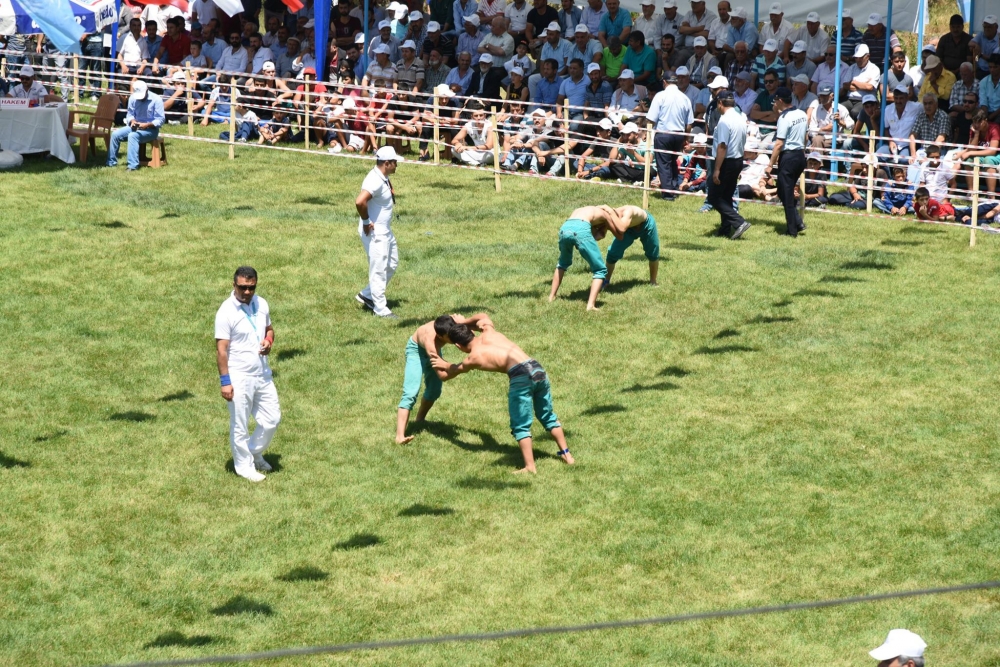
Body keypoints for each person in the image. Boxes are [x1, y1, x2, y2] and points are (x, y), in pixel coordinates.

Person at [432, 318, 575, 474]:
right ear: (472, 332)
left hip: (521, 377)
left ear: (459, 346)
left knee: (520, 424)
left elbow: (454, 370)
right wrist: (463, 321)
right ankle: (568, 456)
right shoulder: (489, 332)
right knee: (547, 415)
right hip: (537, 369)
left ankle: (530, 467)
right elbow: (483, 317)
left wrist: (443, 363)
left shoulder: (473, 357)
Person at [214, 266, 281, 483]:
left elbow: (269, 329)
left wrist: (268, 341)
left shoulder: (262, 304)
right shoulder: (226, 312)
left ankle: (253, 451)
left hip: (262, 373)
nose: (247, 292)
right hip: (239, 376)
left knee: (272, 419)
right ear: (234, 285)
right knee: (240, 424)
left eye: (251, 288)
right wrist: (226, 382)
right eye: (242, 287)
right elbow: (221, 350)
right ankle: (244, 467)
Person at [396, 314, 478, 444]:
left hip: (434, 350)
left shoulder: (451, 323)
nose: (453, 337)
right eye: (449, 337)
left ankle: (420, 420)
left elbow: (473, 325)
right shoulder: (431, 343)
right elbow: (442, 375)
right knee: (410, 392)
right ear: (440, 336)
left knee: (434, 390)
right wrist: (461, 368)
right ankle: (399, 437)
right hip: (416, 352)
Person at [355, 145, 402, 320]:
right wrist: (367, 222)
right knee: (379, 269)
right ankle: (380, 308)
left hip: (385, 230)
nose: (397, 165)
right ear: (387, 163)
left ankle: (367, 295)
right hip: (376, 233)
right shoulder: (374, 180)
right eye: (395, 162)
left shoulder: (382, 176)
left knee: (392, 263)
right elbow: (360, 202)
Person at [549, 204, 626, 311]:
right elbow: (620, 236)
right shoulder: (605, 214)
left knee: (562, 263)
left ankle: (551, 297)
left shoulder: (582, 209)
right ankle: (590, 305)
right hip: (581, 228)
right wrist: (607, 226)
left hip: (565, 228)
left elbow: (588, 234)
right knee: (601, 270)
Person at [765, 86, 808, 237]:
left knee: (787, 195)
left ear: (780, 101)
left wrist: (770, 165)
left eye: (775, 100)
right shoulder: (802, 113)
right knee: (783, 191)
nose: (774, 103)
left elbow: (779, 144)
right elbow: (806, 137)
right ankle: (797, 221)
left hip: (788, 156)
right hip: (800, 156)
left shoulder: (784, 118)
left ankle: (792, 231)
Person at [710, 91, 750, 239]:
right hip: (737, 160)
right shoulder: (740, 118)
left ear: (720, 103)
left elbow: (722, 146)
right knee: (726, 196)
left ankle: (738, 222)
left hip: (726, 161)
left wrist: (717, 169)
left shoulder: (724, 120)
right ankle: (725, 229)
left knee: (714, 197)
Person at [647, 71, 693, 199]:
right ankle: (673, 188)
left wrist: (649, 132)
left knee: (663, 163)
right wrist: (685, 138)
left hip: (663, 133)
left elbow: (651, 119)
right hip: (678, 134)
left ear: (664, 82)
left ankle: (668, 193)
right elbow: (689, 123)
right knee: (672, 162)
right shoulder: (685, 98)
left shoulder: (660, 96)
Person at [106, 80, 165, 172]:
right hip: (135, 127)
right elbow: (130, 114)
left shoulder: (157, 99)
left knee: (133, 136)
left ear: (147, 90)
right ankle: (110, 163)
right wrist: (132, 121)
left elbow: (160, 120)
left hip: (151, 129)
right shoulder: (133, 98)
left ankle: (132, 166)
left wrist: (148, 124)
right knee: (115, 134)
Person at [604, 205, 659, 288]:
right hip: (629, 229)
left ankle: (653, 281)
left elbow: (621, 228)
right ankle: (605, 281)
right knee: (613, 252)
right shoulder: (613, 215)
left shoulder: (628, 211)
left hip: (646, 225)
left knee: (653, 252)